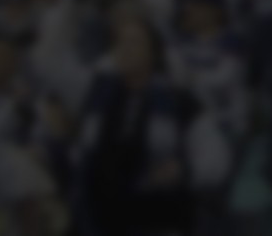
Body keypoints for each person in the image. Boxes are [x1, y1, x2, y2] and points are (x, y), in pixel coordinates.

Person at [73, 16, 193, 236]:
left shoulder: (178, 99)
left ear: (153, 52)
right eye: (120, 42)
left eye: (134, 42)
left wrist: (184, 167)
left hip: (156, 216)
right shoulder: (97, 97)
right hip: (101, 215)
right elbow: (84, 150)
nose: (125, 49)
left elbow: (212, 160)